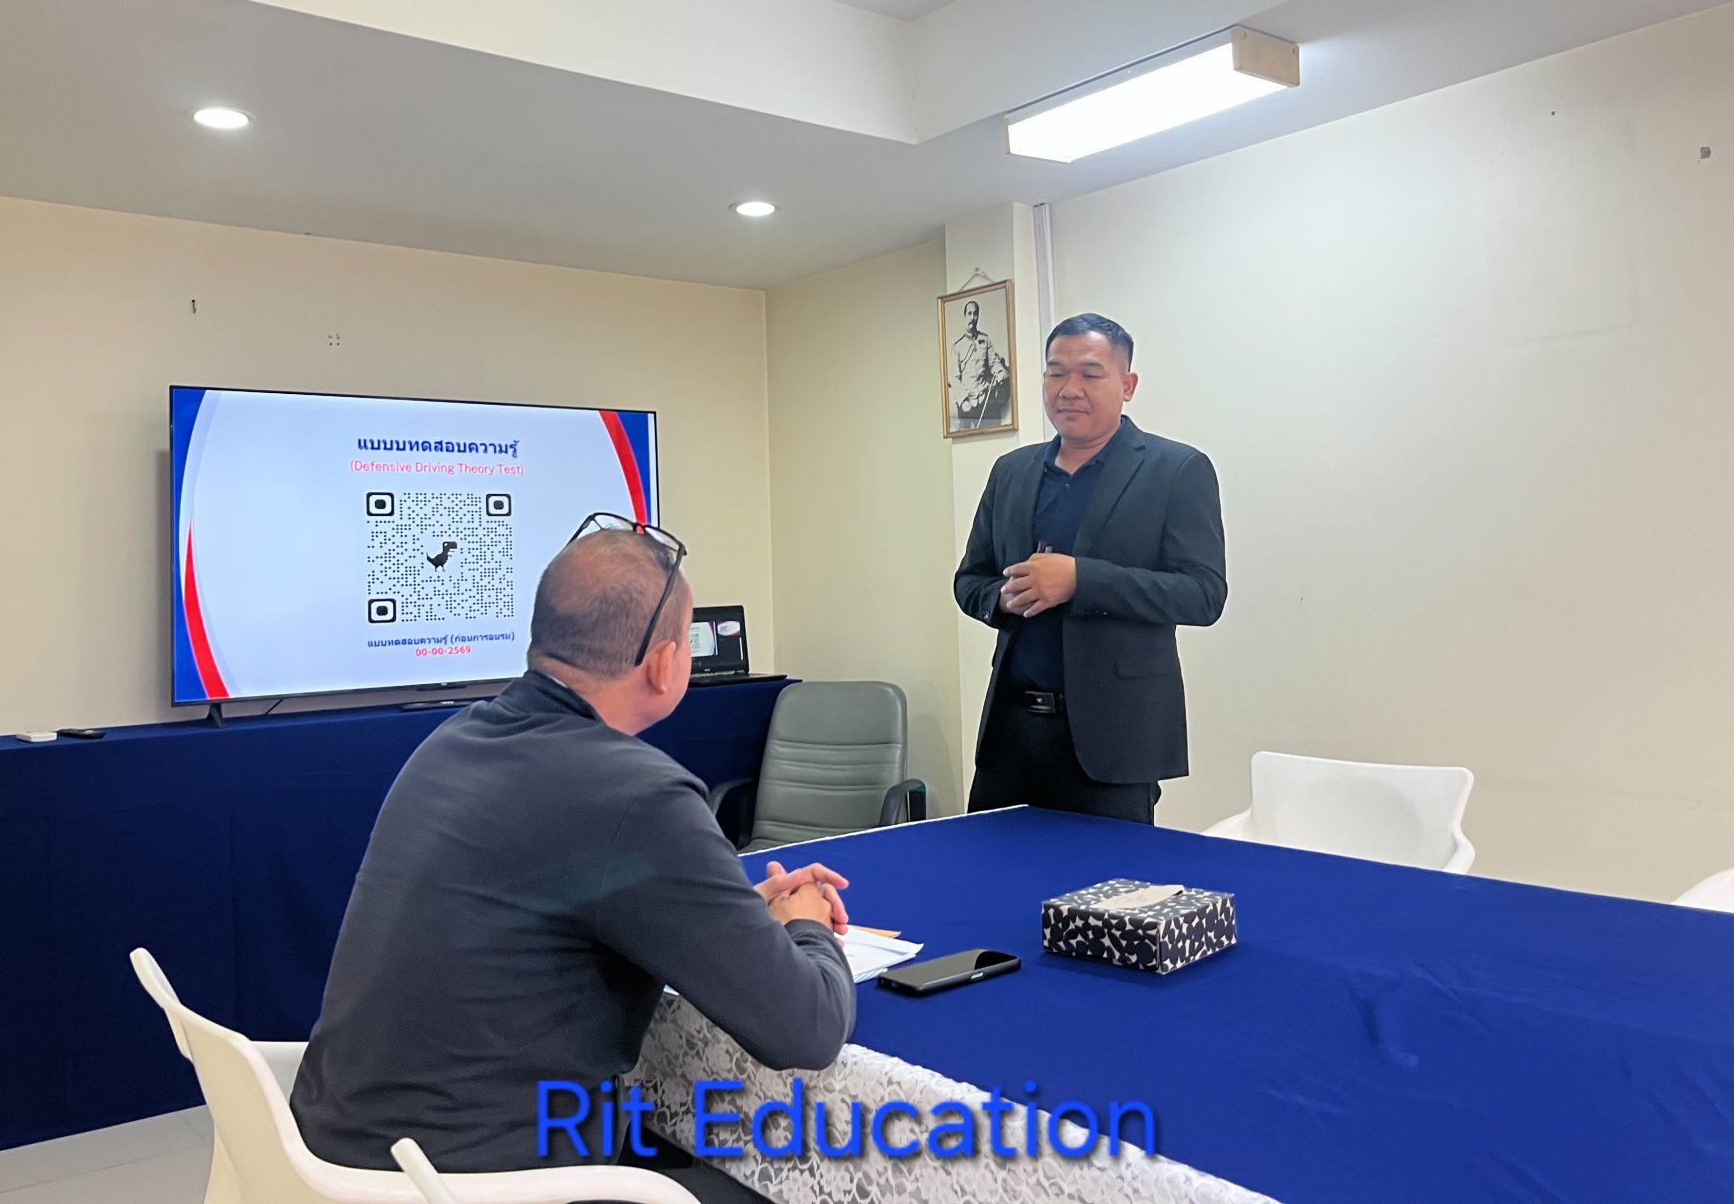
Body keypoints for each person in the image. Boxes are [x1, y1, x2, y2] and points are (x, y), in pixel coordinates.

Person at [291, 516, 855, 1172]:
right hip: (469, 1177)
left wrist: (730, 913)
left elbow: (551, 904)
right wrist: (806, 925)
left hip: (333, 1150)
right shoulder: (638, 796)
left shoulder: (455, 740)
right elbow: (806, 1029)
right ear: (666, 663)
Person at [955, 314, 1226, 823]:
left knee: (1109, 877)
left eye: (1090, 374)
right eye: (1056, 373)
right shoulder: (1011, 471)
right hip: (1010, 735)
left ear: (1128, 385)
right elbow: (970, 580)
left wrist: (1081, 581)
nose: (1069, 389)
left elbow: (1203, 594)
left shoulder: (1177, 470)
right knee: (989, 870)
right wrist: (1001, 598)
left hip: (1114, 742)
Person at [949, 297, 1011, 430]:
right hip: (967, 402)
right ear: (965, 316)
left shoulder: (985, 340)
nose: (972, 318)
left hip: (985, 396)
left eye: (975, 314)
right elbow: (954, 379)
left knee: (995, 430)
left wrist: (1000, 372)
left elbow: (993, 362)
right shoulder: (957, 347)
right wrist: (964, 401)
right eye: (969, 314)